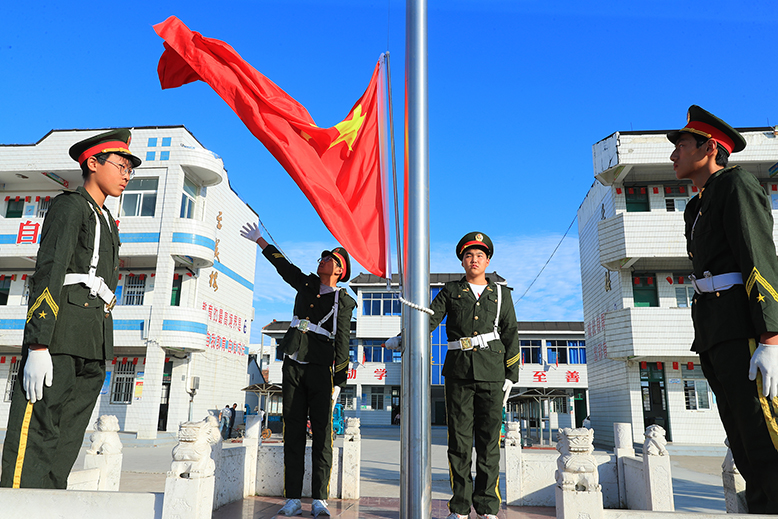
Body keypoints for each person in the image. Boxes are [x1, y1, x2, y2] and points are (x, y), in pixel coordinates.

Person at [1, 129, 140, 489]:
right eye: (121, 165)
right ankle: (19, 505)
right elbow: (49, 270)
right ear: (93, 163)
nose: (126, 174)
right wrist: (38, 344)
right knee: (39, 428)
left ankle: (50, 501)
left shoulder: (107, 220)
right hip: (60, 336)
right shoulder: (70, 206)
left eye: (130, 169)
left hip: (93, 340)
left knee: (68, 435)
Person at [670, 105, 778, 513]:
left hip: (745, 329)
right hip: (715, 330)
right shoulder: (696, 206)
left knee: (765, 436)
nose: (673, 154)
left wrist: (771, 338)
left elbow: (758, 258)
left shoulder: (736, 184)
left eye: (681, 144)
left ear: (710, 147)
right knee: (742, 439)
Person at [389, 232, 519, 519]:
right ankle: (459, 508)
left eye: (480, 256)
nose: (474, 260)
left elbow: (511, 334)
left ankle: (487, 508)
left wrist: (511, 375)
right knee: (459, 443)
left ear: (487, 261)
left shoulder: (500, 294)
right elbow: (430, 319)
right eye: (469, 256)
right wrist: (405, 336)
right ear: (462, 261)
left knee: (488, 444)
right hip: (458, 372)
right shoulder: (450, 291)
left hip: (493, 373)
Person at [241, 222, 356, 518]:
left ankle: (320, 498)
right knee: (293, 430)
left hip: (320, 368)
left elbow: (342, 340)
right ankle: (292, 497)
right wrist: (261, 242)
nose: (323, 260)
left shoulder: (342, 300)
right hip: (293, 362)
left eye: (330, 258)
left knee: (322, 434)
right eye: (322, 257)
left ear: (339, 270)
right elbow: (284, 267)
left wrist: (339, 381)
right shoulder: (305, 284)